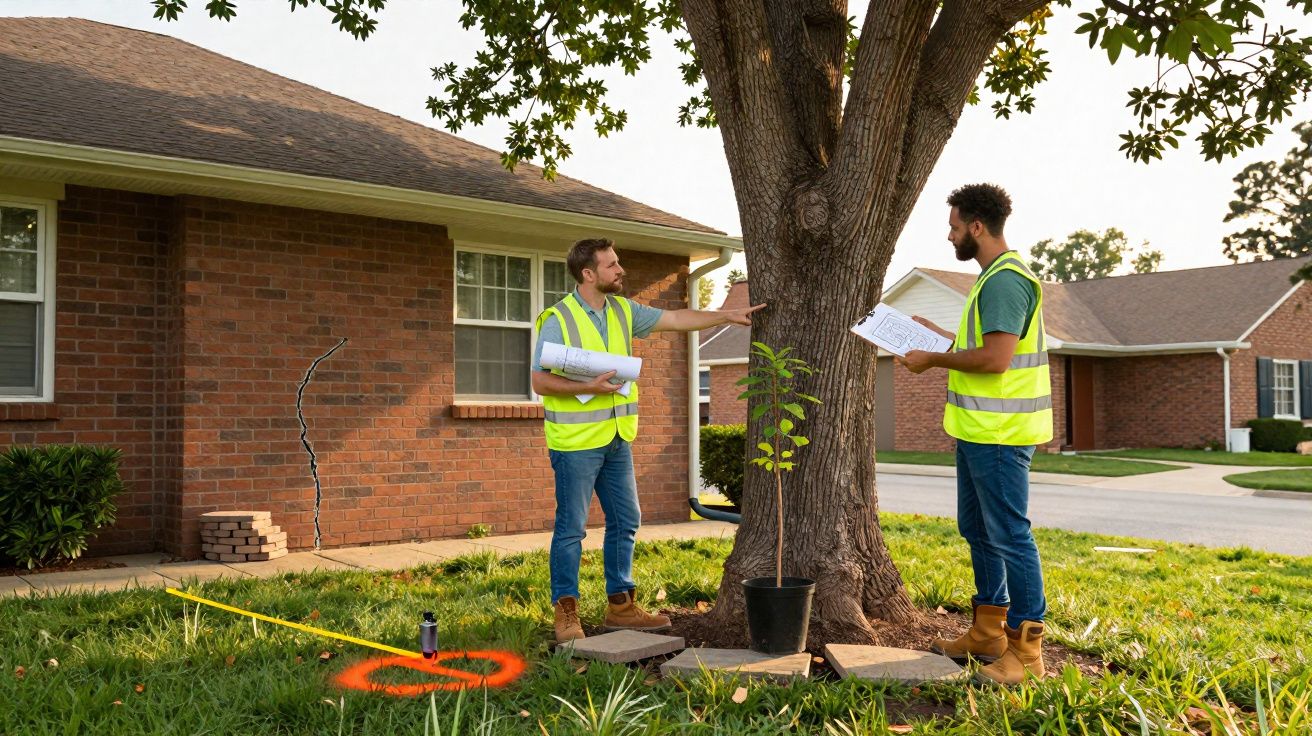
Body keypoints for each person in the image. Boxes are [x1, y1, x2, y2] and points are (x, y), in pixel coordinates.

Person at [534, 238, 764, 644]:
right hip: (574, 443)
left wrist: (727, 316)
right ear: (588, 274)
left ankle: (620, 605)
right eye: (611, 265)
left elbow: (676, 319)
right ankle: (565, 609)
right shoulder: (558, 318)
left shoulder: (623, 310)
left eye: (618, 262)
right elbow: (539, 380)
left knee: (626, 520)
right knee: (571, 529)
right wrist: (589, 386)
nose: (620, 270)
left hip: (617, 437)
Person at [897, 183, 1053, 685]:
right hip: (979, 431)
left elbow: (996, 360)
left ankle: (1027, 652)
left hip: (1002, 435)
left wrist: (933, 358)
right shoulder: (991, 281)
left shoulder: (1007, 281)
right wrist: (935, 338)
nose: (950, 236)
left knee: (1009, 535)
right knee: (979, 530)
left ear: (977, 228)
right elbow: (981, 347)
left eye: (954, 227)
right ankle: (988, 630)